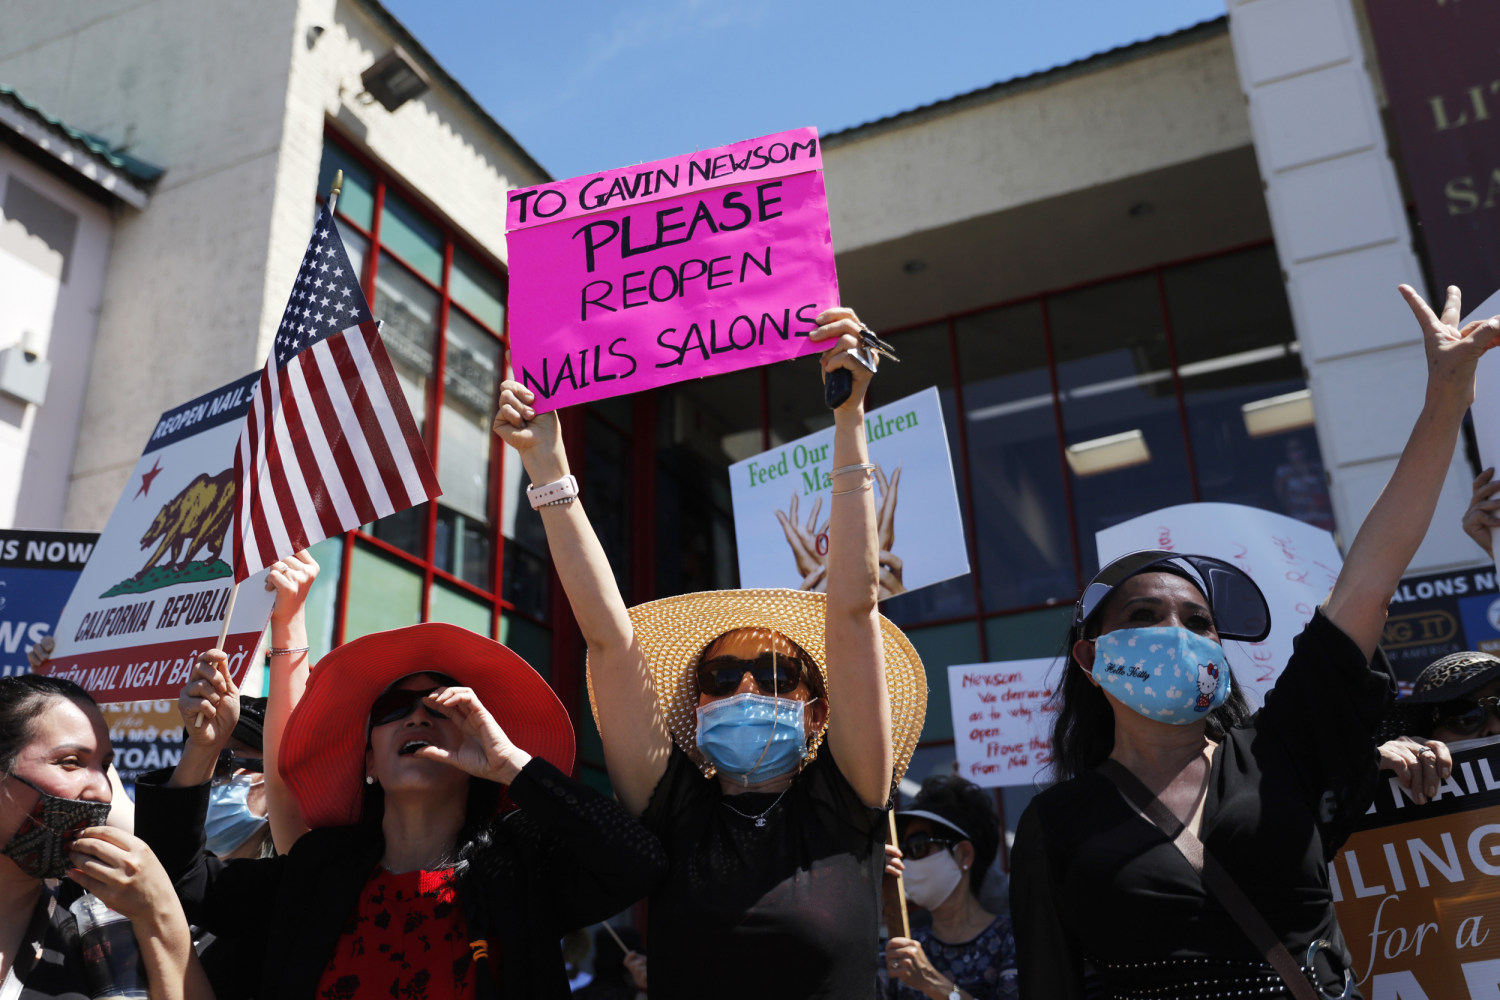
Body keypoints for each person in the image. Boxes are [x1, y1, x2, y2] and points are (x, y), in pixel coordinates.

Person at [1011, 285, 1500, 1000]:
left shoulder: (1280, 754)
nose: (1176, 634)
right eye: (1144, 617)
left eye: (1199, 622)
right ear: (1091, 659)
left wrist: (1447, 398)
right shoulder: (1056, 824)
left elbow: (1368, 579)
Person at [492, 306, 927, 1000]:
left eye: (776, 676)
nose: (747, 687)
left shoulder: (846, 804)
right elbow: (609, 639)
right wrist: (548, 468)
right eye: (723, 675)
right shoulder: (673, 813)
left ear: (818, 715)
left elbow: (851, 611)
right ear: (696, 707)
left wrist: (850, 422)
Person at [134, 623, 666, 1000]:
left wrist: (510, 765)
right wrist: (203, 748)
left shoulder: (520, 868)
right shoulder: (320, 869)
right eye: (394, 709)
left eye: (446, 705)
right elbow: (179, 882)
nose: (418, 715)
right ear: (367, 758)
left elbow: (638, 861)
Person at [0, 674, 209, 1000]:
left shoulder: (100, 921)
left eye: (106, 765)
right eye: (71, 762)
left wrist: (158, 914)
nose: (103, 792)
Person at [881, 775, 1018, 1000]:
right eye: (902, 851)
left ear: (964, 854)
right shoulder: (898, 949)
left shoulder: (1013, 941)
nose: (905, 862)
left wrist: (932, 983)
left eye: (918, 846)